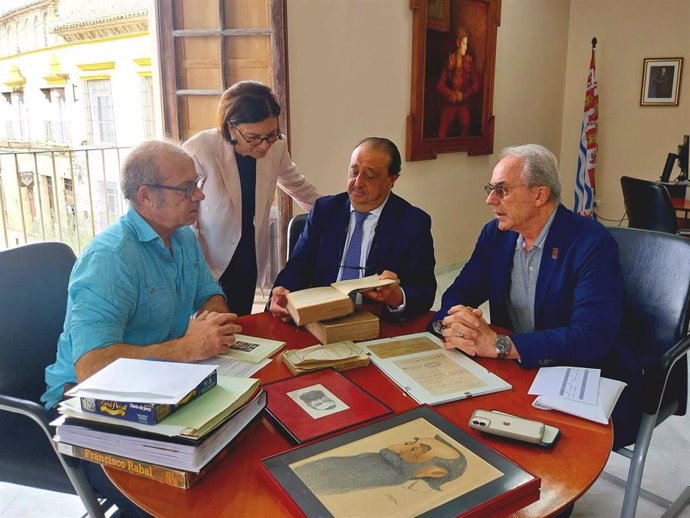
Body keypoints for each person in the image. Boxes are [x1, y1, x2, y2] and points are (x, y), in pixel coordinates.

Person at [42, 140, 241, 517]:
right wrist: (186, 348)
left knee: (235, 447)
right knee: (190, 499)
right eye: (185, 188)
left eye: (196, 182)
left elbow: (209, 294)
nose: (199, 194)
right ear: (146, 197)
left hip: (159, 386)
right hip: (85, 410)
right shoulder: (110, 258)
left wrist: (212, 321)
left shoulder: (182, 236)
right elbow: (90, 369)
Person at [431, 144, 642, 451]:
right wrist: (456, 324)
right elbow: (458, 293)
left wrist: (500, 345)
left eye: (502, 190)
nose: (490, 200)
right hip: (518, 369)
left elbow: (591, 337)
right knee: (454, 423)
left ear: (539, 195)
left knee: (543, 452)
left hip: (584, 374)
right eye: (491, 189)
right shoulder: (496, 235)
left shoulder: (591, 243)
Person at [183, 81, 319, 315]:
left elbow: (299, 187)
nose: (264, 145)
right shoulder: (200, 150)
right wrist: (195, 269)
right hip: (207, 257)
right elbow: (185, 221)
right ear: (231, 127)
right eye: (255, 137)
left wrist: (338, 214)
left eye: (271, 134)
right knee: (213, 330)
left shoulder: (276, 146)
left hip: (248, 255)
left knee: (242, 327)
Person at [269, 137, 436, 323]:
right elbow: (297, 267)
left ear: (392, 179)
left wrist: (397, 297)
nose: (358, 183)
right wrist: (282, 291)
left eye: (370, 176)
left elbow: (425, 289)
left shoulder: (412, 223)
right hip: (320, 319)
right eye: (354, 172)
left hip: (377, 323)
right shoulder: (324, 210)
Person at [293, 435, 466, 494]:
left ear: (434, 472)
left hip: (317, 480)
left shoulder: (395, 473)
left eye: (417, 450)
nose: (403, 447)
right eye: (411, 442)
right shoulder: (389, 463)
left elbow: (389, 450)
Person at [437, 27, 480, 138]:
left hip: (463, 104)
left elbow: (476, 85)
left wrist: (464, 95)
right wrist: (450, 94)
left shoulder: (469, 63)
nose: (466, 47)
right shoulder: (450, 61)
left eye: (466, 44)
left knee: (466, 124)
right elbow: (440, 85)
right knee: (442, 131)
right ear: (458, 43)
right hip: (449, 104)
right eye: (464, 44)